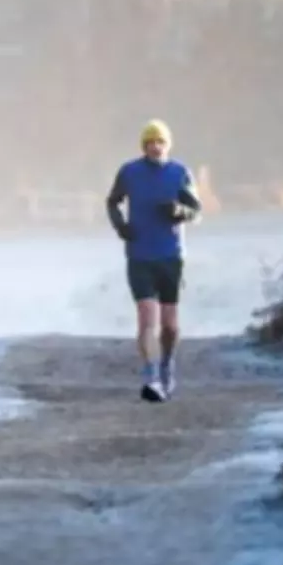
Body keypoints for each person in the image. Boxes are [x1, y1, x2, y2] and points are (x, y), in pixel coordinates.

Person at [106, 119, 201, 403]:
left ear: (167, 144)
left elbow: (196, 210)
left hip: (171, 255)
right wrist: (120, 226)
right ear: (143, 146)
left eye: (160, 142)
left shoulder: (179, 172)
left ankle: (166, 364)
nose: (155, 147)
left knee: (170, 325)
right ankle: (151, 377)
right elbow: (112, 201)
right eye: (150, 143)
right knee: (148, 318)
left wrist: (179, 211)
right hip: (139, 255)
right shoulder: (130, 172)